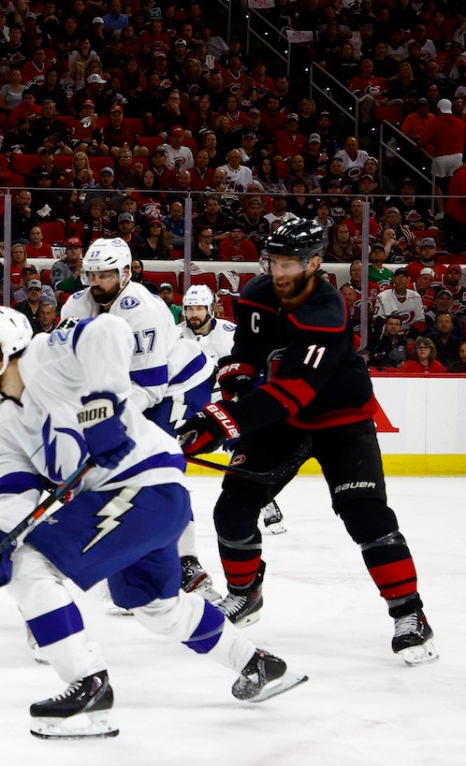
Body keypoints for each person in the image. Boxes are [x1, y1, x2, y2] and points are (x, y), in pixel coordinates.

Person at [0, 306, 305, 739]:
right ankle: (257, 664)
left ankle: (88, 685)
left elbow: (108, 330)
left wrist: (102, 407)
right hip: (137, 503)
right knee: (154, 605)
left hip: (143, 485)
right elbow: (13, 490)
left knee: (31, 563)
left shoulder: (45, 355)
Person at [177, 218, 438, 666]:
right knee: (233, 507)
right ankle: (245, 594)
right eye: (274, 261)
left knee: (366, 516)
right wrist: (237, 384)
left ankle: (410, 615)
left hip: (341, 419)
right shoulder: (256, 294)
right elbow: (245, 352)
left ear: (314, 262)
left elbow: (290, 391)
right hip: (284, 422)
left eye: (290, 263)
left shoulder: (326, 310)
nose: (279, 272)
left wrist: (221, 420)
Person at [60, 239, 220, 602]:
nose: (97, 281)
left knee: (155, 471)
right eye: (92, 274)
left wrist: (98, 422)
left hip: (178, 388)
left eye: (106, 274)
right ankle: (131, 561)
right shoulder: (76, 303)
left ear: (127, 273)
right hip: (130, 388)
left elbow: (149, 387)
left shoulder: (141, 310)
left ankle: (187, 562)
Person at [182, 285, 286, 535]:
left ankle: (265, 502)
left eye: (199, 308)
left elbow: (249, 363)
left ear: (210, 309)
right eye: (189, 308)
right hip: (189, 403)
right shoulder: (174, 335)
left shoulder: (230, 333)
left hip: (225, 402)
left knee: (242, 453)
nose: (193, 313)